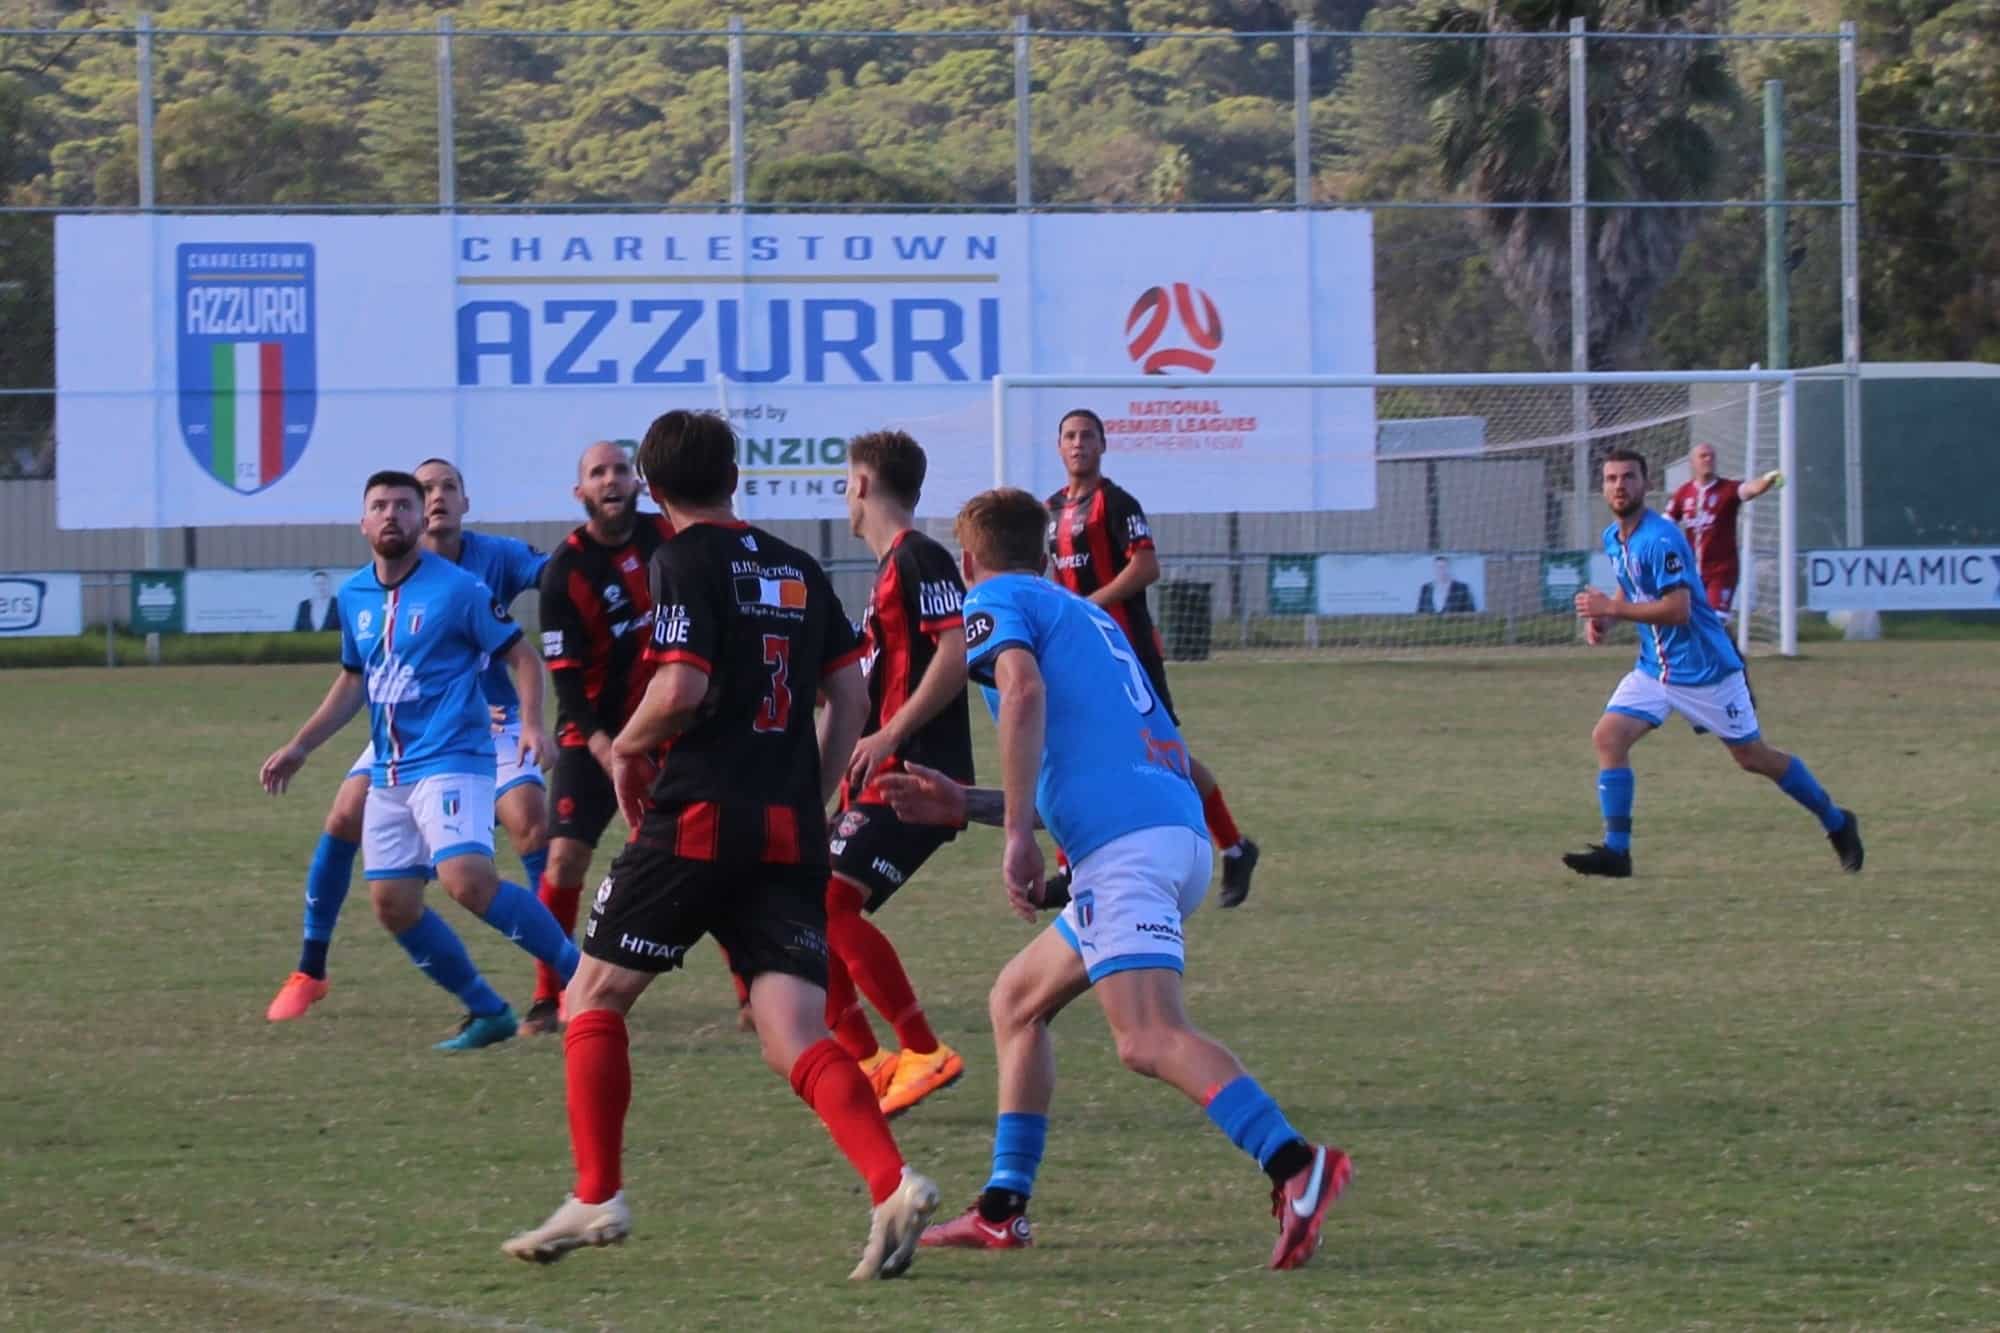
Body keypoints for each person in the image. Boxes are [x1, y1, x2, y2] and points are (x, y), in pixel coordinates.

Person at [503, 410, 938, 1280]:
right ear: (735, 477)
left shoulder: (678, 560)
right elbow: (849, 704)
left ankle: (597, 1192)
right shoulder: (798, 566)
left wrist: (625, 746)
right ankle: (891, 1183)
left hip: (695, 817)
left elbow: (681, 684)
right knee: (794, 1033)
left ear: (656, 491)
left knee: (590, 995)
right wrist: (802, 804)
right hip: (787, 833)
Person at [871, 487, 1348, 1271]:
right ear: (1049, 553)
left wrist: (1020, 835)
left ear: (966, 562)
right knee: (1017, 1001)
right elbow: (1105, 763)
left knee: (1148, 1036)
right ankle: (1002, 1208)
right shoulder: (1087, 616)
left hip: (1130, 849)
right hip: (1167, 834)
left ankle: (1297, 1165)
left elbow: (1019, 691)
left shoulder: (990, 600)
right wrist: (969, 804)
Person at [259, 471, 583, 1051]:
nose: (392, 515)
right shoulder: (355, 594)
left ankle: (583, 978)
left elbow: (524, 658)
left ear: (418, 518)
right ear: (362, 523)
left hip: (454, 756)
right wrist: (301, 746)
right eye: (379, 506)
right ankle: (488, 1012)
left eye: (403, 506)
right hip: (390, 769)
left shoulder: (458, 589)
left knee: (466, 879)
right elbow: (354, 682)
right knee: (393, 904)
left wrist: (533, 722)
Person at [1563, 448, 1861, 879]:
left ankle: (1837, 821)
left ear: (1646, 485)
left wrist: (1614, 607)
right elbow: (1631, 588)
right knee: (1608, 738)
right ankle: (1617, 852)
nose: (1619, 486)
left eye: (1628, 477)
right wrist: (1607, 617)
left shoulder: (1661, 537)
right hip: (1655, 668)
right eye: (1611, 478)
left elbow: (1678, 610)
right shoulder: (1615, 537)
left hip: (1706, 671)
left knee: (1752, 757)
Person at [1043, 408, 1260, 908]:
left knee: (1167, 757)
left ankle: (1236, 846)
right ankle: (1068, 870)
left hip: (1128, 655)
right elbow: (1058, 580)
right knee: (1064, 748)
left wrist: (1085, 607)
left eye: (1088, 436)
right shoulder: (1050, 509)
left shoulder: (1117, 503)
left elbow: (1146, 567)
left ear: (1103, 445)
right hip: (1079, 655)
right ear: (1059, 447)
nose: (1078, 444)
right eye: (1070, 436)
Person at [824, 429, 972, 1117]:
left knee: (828, 900)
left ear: (860, 485)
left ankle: (921, 1049)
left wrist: (890, 733)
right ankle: (870, 1060)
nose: (843, 497)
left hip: (917, 774)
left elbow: (953, 651)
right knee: (802, 908)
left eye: (845, 482)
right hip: (877, 774)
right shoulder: (889, 571)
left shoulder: (921, 556)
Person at [526, 441, 677, 1035]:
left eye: (619, 469)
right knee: (564, 857)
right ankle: (547, 993)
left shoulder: (665, 538)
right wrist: (602, 748)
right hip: (592, 736)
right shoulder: (565, 571)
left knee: (704, 852)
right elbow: (564, 679)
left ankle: (749, 994)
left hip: (670, 726)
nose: (611, 480)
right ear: (580, 492)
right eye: (598, 472)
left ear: (637, 483)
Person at [1663, 441, 1783, 617]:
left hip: (1722, 571)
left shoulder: (1727, 489)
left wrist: (1768, 478)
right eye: (1703, 456)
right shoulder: (1684, 493)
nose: (1708, 459)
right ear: (1692, 462)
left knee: (1715, 620)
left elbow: (1750, 489)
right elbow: (1665, 524)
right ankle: (1729, 645)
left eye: (1711, 456)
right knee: (1694, 624)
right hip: (1692, 573)